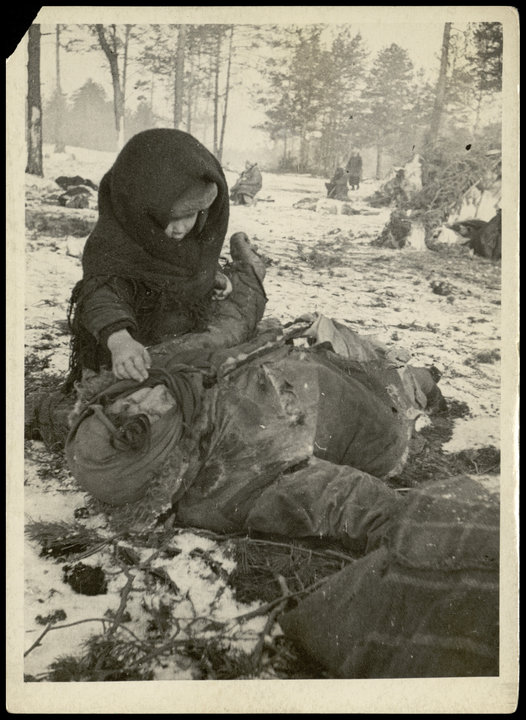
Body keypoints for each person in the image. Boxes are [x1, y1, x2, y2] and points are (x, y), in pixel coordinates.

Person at [66, 129, 233, 388]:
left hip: (183, 345)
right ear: (141, 211)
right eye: (169, 218)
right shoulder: (114, 246)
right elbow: (101, 297)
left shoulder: (186, 238)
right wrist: (120, 340)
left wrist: (211, 275)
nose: (178, 229)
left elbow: (187, 263)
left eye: (188, 216)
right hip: (132, 357)